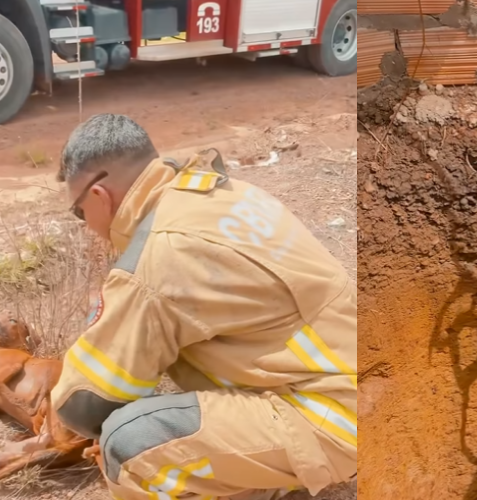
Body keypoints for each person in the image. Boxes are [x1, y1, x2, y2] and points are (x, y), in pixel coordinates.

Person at [51, 114, 357, 500]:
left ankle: (274, 474)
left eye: (79, 213)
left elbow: (85, 404)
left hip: (332, 418)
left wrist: (100, 324)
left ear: (99, 196)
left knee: (131, 442)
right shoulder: (219, 193)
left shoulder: (159, 252)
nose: (86, 224)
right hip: (354, 380)